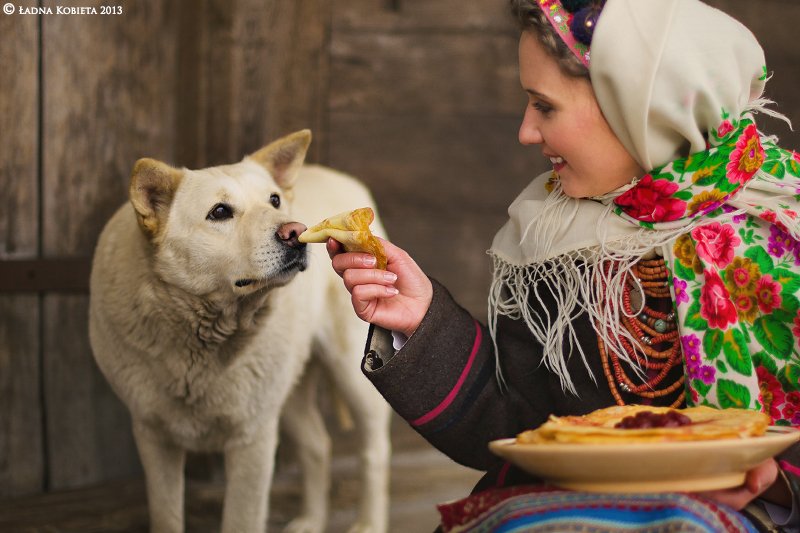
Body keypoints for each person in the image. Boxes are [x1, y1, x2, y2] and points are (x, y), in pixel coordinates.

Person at [326, 0, 800, 530]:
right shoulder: (554, 240)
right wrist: (422, 322)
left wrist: (778, 481)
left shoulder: (780, 233)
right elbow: (520, 426)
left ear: (640, 106)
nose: (527, 132)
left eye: (544, 106)